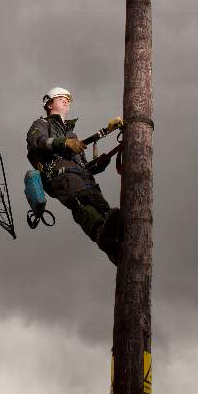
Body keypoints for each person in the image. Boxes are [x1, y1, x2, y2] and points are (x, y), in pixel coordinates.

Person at [26, 86, 122, 265]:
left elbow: (85, 166)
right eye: (60, 97)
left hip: (83, 177)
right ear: (49, 104)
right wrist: (64, 142)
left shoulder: (72, 134)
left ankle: (117, 249)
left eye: (67, 99)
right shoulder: (41, 124)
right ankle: (101, 234)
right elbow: (37, 142)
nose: (65, 100)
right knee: (80, 202)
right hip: (60, 175)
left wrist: (100, 163)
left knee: (104, 210)